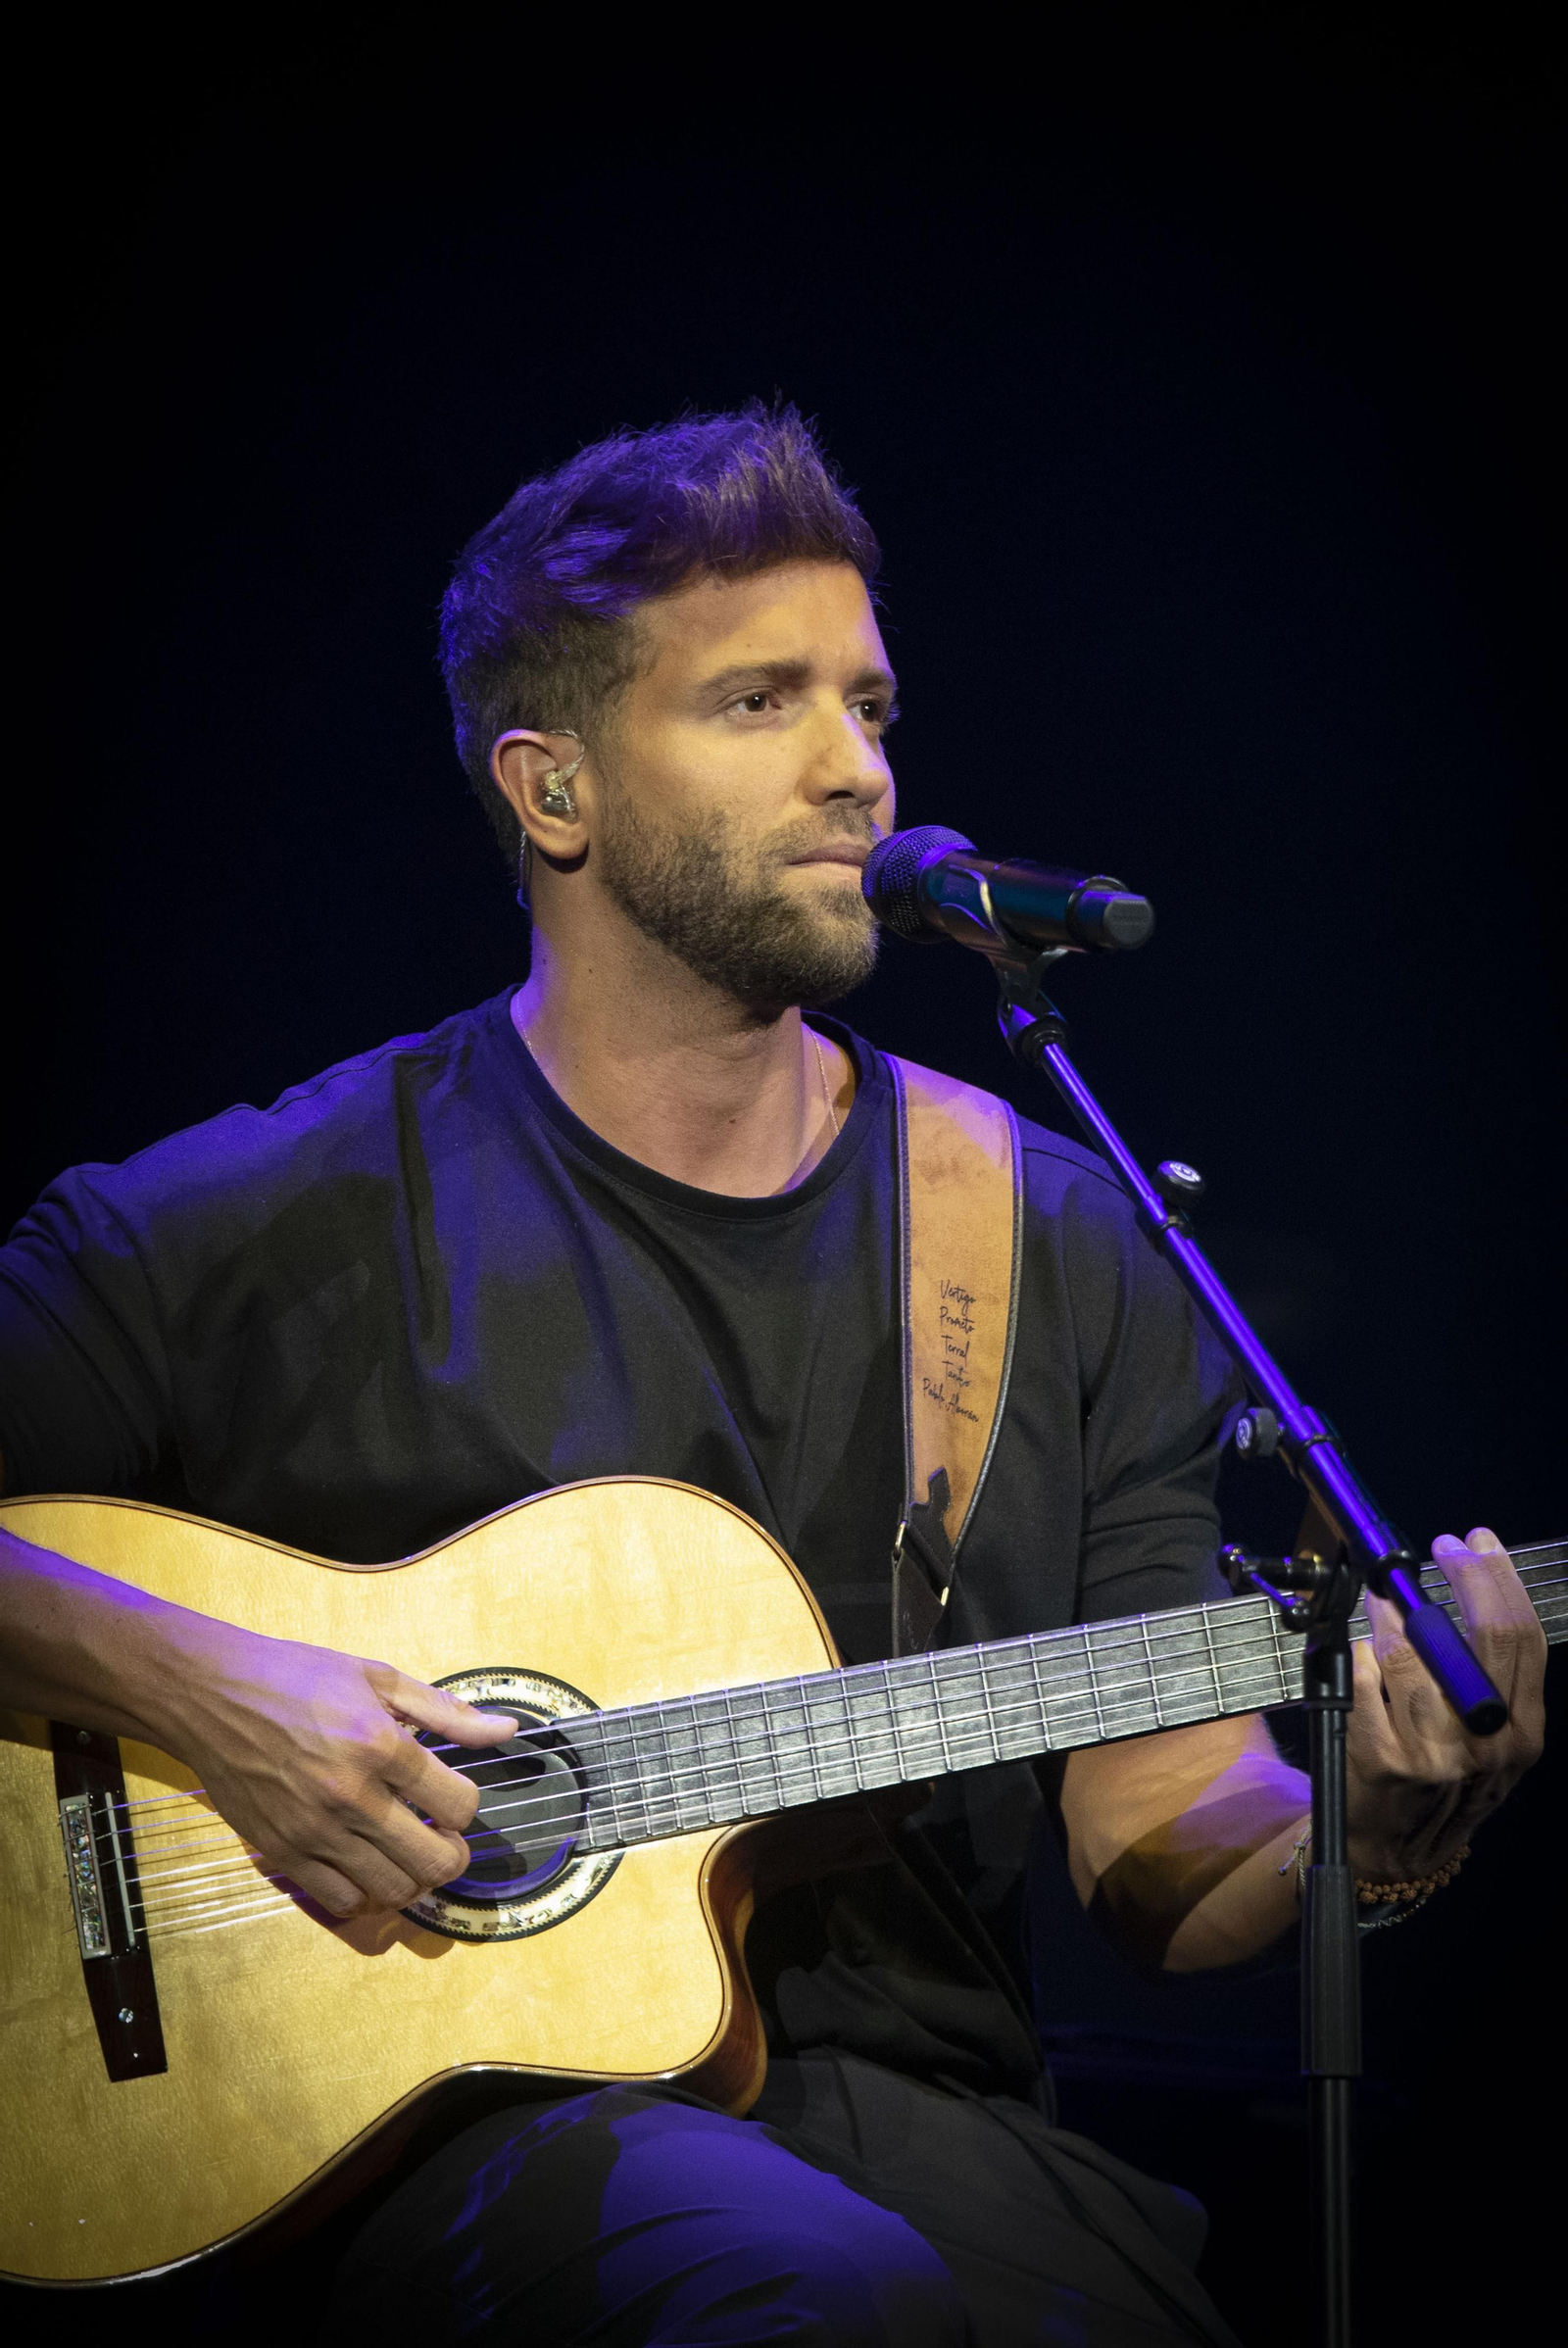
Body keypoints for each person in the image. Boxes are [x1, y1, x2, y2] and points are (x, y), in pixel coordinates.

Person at [0, 406, 1544, 2346]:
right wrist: (220, 1697)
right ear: (551, 790)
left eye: (868, 701)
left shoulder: (1045, 1235)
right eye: (755, 703)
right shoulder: (264, 1214)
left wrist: (1379, 1836)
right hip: (449, 2144)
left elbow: (1156, 1847)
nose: (856, 770)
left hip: (946, 2137)